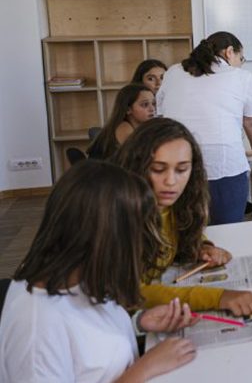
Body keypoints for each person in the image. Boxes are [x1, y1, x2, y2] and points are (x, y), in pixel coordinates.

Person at [0, 160, 198, 382]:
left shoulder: (77, 273)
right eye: (136, 235)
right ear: (104, 238)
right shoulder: (37, 327)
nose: (140, 247)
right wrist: (144, 368)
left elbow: (89, 344)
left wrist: (139, 323)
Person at [115, 118, 252, 316]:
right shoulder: (117, 214)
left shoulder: (177, 205)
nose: (171, 181)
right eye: (158, 169)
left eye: (182, 169)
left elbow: (179, 235)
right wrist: (218, 298)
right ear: (137, 166)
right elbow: (134, 292)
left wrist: (201, 247)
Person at [157, 31, 252, 224]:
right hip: (224, 167)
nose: (240, 64)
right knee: (229, 232)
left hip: (177, 167)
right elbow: (251, 122)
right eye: (241, 58)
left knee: (184, 231)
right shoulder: (241, 77)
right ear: (229, 52)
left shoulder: (173, 72)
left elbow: (162, 116)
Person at [87, 83, 156, 160]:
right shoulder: (124, 129)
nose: (152, 109)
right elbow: (141, 159)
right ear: (128, 109)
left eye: (153, 103)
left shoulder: (137, 127)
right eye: (145, 104)